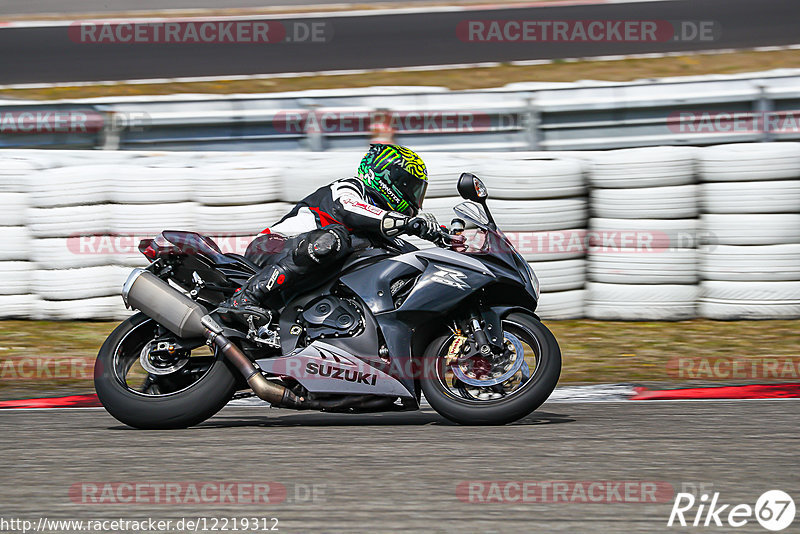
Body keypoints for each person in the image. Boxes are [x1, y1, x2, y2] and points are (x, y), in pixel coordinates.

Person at [219, 144, 442, 323]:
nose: (414, 196)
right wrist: (408, 223)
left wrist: (442, 244)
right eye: (409, 185)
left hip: (303, 267)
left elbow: (407, 253)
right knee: (335, 239)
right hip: (271, 247)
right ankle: (245, 297)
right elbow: (349, 209)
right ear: (387, 177)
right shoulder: (351, 187)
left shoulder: (381, 227)